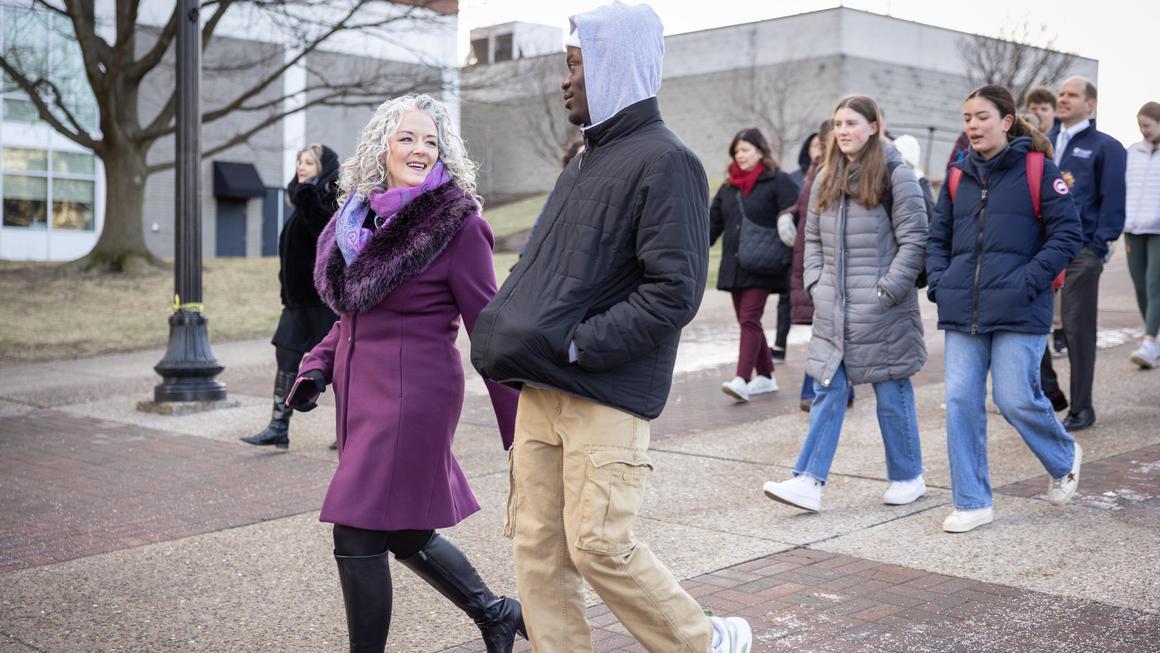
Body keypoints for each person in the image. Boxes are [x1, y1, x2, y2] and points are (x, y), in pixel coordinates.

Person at [470, 3, 752, 651]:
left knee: (598, 543)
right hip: (542, 386)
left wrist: (578, 344)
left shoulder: (668, 162)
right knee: (538, 546)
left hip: (604, 386)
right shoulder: (582, 162)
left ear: (612, 65)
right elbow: (542, 267)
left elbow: (673, 291)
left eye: (575, 65)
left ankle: (702, 641)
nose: (565, 80)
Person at [287, 94, 525, 653]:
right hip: (362, 397)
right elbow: (350, 316)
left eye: (431, 142)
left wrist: (522, 431)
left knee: (356, 530)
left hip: (413, 397)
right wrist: (317, 368)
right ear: (382, 147)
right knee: (403, 529)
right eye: (408, 138)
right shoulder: (356, 219)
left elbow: (486, 327)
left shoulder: (456, 225)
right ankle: (495, 613)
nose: (420, 150)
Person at [927, 84, 1084, 533]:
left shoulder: (1038, 169)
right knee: (959, 400)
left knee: (1014, 397)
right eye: (967, 118)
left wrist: (1029, 280)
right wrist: (940, 281)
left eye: (981, 117)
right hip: (964, 308)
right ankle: (972, 501)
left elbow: (1067, 235)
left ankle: (1063, 455)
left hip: (1020, 305)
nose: (973, 126)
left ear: (1007, 122)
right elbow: (937, 240)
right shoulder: (957, 177)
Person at [762, 95, 928, 513]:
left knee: (891, 391)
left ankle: (909, 477)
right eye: (838, 123)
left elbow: (915, 241)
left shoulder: (897, 175)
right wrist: (816, 284)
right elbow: (811, 238)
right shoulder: (825, 176)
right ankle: (808, 481)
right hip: (834, 307)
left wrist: (886, 291)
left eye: (852, 122)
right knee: (828, 389)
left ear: (874, 126)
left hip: (882, 308)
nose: (843, 131)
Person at [242, 144, 339, 450]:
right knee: (286, 357)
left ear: (323, 168)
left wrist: (307, 193)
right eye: (300, 161)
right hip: (297, 303)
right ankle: (278, 427)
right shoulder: (301, 201)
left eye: (309, 162)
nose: (302, 166)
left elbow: (322, 229)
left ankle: (352, 426)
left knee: (343, 366)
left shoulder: (333, 200)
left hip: (324, 301)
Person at [1048, 77, 1127, 431]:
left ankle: (1082, 408)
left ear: (1090, 104)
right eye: (1061, 94)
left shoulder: (1105, 147)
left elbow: (1113, 199)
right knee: (1025, 325)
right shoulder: (1045, 142)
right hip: (1043, 250)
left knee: (1078, 329)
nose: (1063, 99)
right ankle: (1050, 395)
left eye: (1072, 95)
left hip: (1082, 251)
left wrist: (1099, 244)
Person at [710, 128, 800, 402]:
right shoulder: (728, 188)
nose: (740, 155)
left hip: (764, 264)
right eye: (737, 151)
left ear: (760, 151)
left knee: (749, 318)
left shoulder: (778, 181)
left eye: (745, 149)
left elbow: (795, 210)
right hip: (736, 265)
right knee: (748, 321)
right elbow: (712, 224)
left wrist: (787, 221)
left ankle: (741, 379)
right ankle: (766, 375)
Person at [780, 118, 856, 412]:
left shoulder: (843, 174)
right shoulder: (817, 174)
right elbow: (804, 209)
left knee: (833, 333)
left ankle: (823, 391)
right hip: (816, 268)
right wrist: (787, 215)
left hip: (833, 268)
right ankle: (820, 391)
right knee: (827, 332)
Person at [1125, 101, 1160, 368]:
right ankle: (1155, 336)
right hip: (1133, 229)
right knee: (1139, 285)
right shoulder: (1132, 152)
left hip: (1159, 230)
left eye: (1147, 125)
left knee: (1154, 283)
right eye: (1140, 126)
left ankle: (1149, 341)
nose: (1143, 130)